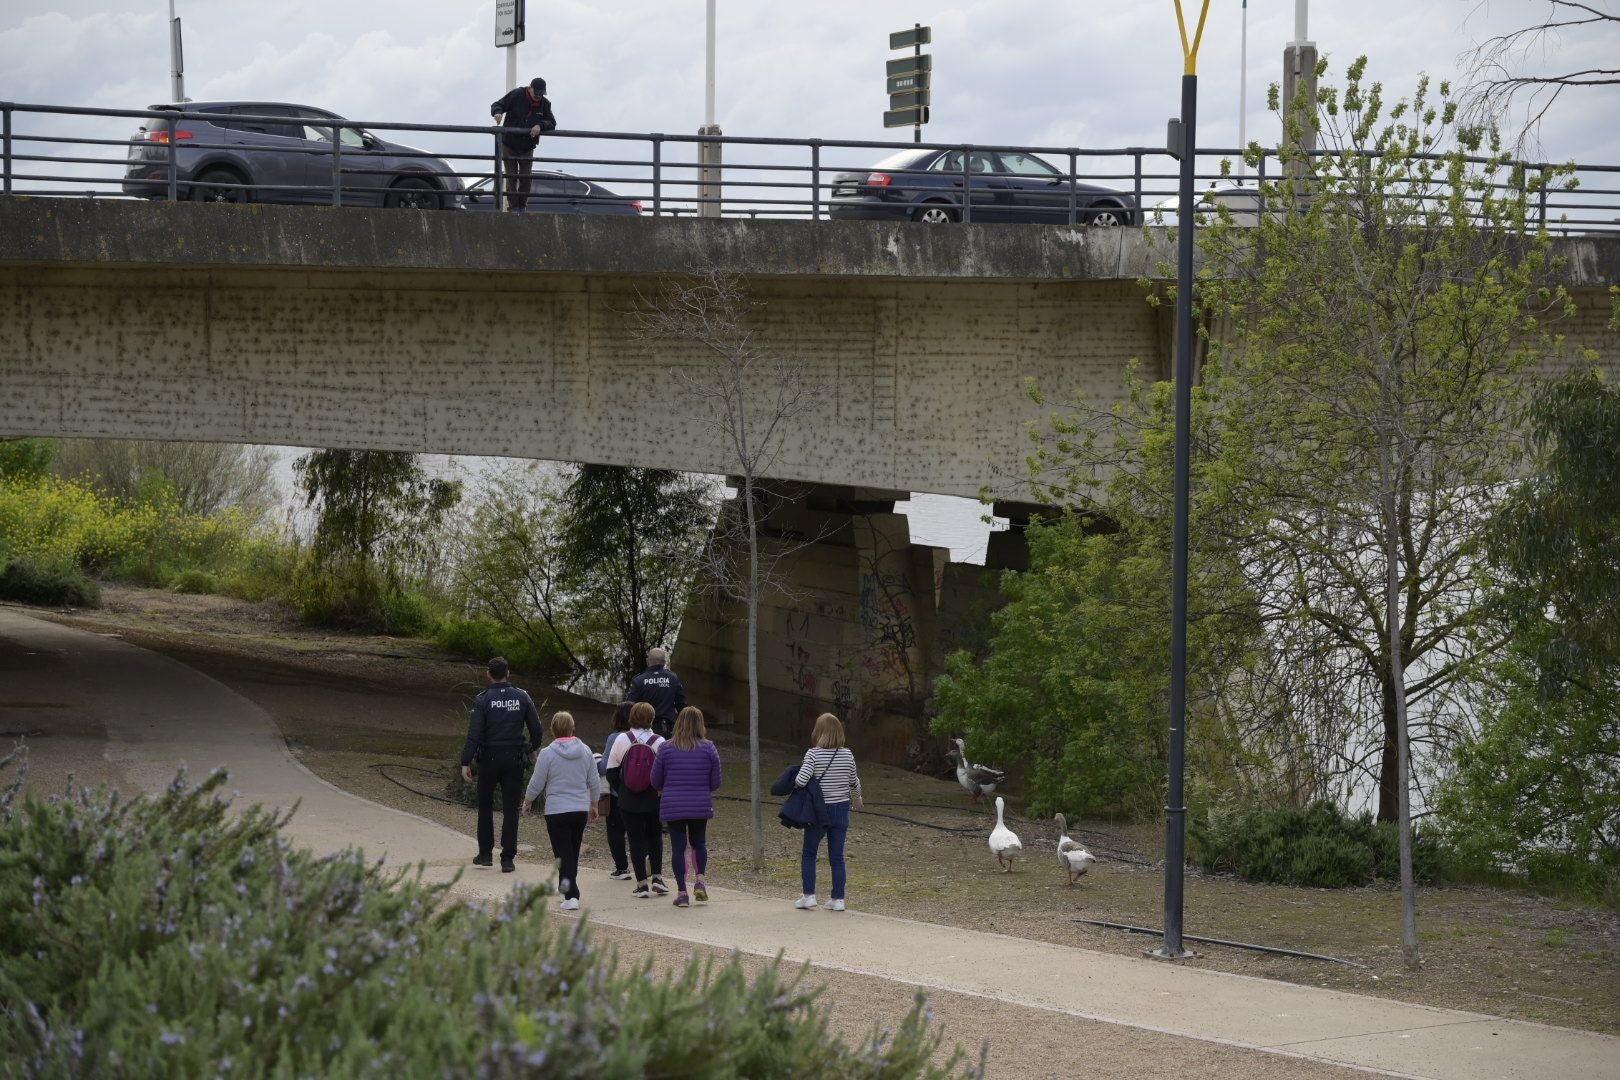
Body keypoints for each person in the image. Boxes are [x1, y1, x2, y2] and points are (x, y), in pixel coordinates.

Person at [460, 656, 543, 873]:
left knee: (485, 806)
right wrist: (531, 748)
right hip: (514, 759)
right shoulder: (522, 696)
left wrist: (465, 761)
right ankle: (507, 858)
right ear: (508, 673)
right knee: (511, 809)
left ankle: (486, 854)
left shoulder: (483, 699)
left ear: (488, 675)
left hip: (489, 758)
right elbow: (537, 728)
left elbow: (474, 734)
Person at [523, 710, 600, 910]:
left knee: (563, 852)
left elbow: (537, 781)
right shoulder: (585, 751)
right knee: (572, 850)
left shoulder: (548, 753)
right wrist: (594, 803)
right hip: (579, 809)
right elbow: (594, 780)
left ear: (553, 730)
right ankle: (565, 885)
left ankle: (571, 895)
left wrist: (528, 800)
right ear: (572, 727)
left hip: (557, 810)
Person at [650, 706, 722, 908]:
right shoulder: (709, 748)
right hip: (700, 804)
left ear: (678, 722)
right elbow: (715, 783)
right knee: (699, 843)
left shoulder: (665, 748)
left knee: (679, 848)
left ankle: (682, 893)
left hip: (673, 804)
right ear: (701, 724)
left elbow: (655, 781)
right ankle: (700, 882)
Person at [793, 713, 863, 912]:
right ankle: (838, 898)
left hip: (819, 811)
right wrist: (857, 797)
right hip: (841, 809)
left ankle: (809, 896)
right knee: (837, 856)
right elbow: (854, 781)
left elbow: (801, 780)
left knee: (809, 852)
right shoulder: (848, 754)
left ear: (819, 732)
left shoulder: (813, 754)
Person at [603, 701, 668, 897]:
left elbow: (611, 772)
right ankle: (657, 877)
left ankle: (641, 884)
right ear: (652, 718)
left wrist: (623, 790)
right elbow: (665, 773)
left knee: (635, 839)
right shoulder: (660, 741)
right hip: (653, 798)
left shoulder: (622, 739)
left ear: (631, 717)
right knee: (655, 837)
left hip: (628, 799)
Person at [488, 76, 556, 213]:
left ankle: (522, 207)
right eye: (536, 93)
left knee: (526, 177)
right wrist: (498, 113)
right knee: (511, 177)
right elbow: (498, 104)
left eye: (541, 94)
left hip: (527, 146)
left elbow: (552, 122)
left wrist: (540, 125)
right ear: (530, 88)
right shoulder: (517, 94)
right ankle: (513, 208)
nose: (538, 97)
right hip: (510, 144)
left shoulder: (545, 104)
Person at [598, 702, 633, 880]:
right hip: (642, 793)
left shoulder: (615, 737)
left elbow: (605, 767)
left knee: (615, 831)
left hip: (618, 792)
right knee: (639, 832)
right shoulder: (646, 736)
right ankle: (643, 866)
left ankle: (622, 868)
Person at [628, 646, 686, 739]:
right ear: (664, 662)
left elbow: (630, 707)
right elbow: (681, 706)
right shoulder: (673, 678)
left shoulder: (639, 680)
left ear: (648, 661)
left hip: (643, 730)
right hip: (668, 729)